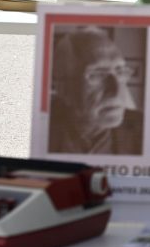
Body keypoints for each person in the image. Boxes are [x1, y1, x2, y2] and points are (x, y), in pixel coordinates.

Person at [48, 26, 144, 155]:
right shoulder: (37, 129)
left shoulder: (145, 129)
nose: (116, 91)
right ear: (62, 88)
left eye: (120, 72)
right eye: (97, 75)